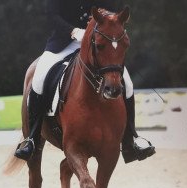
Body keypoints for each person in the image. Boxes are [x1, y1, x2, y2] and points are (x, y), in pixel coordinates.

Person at [14, 0, 155, 163]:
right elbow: (51, 16)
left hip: (98, 42)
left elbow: (113, 9)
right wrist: (73, 31)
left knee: (127, 84)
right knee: (39, 78)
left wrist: (107, 15)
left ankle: (131, 139)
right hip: (63, 43)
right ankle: (32, 138)